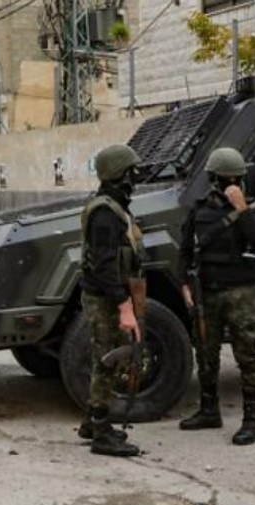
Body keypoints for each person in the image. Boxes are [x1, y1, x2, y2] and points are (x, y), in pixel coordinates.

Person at [179, 147, 255, 445]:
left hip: (240, 292)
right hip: (206, 292)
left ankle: (252, 420)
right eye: (224, 178)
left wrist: (242, 208)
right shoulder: (200, 209)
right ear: (213, 178)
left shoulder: (252, 211)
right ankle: (209, 410)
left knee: (247, 353)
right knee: (205, 353)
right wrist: (184, 282)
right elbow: (185, 249)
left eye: (234, 178)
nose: (229, 182)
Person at [77, 144, 146, 458]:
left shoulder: (112, 206)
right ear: (121, 174)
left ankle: (92, 422)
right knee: (107, 361)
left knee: (104, 359)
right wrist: (124, 306)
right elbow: (104, 265)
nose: (136, 175)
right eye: (132, 170)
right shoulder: (106, 213)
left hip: (105, 294)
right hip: (104, 297)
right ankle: (101, 435)